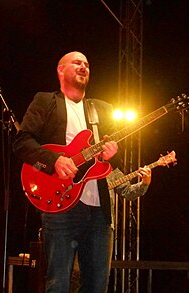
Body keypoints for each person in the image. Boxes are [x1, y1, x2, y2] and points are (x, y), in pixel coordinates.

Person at [12, 51, 152, 293]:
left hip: (99, 211)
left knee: (97, 285)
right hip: (60, 206)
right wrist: (55, 160)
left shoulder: (102, 109)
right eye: (77, 62)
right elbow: (22, 142)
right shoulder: (46, 101)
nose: (83, 66)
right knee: (58, 283)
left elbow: (111, 159)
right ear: (60, 69)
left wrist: (112, 152)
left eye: (87, 64)